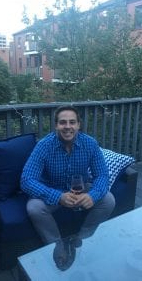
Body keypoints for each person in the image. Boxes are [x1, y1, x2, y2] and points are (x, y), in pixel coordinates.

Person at [21, 105, 115, 270]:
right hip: (54, 190)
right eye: (63, 122)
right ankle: (57, 245)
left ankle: (82, 239)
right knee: (34, 207)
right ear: (56, 125)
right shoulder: (44, 145)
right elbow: (27, 180)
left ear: (79, 124)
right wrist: (58, 197)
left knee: (108, 199)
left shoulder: (90, 144)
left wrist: (92, 195)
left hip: (81, 188)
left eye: (72, 122)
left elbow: (102, 176)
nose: (68, 127)